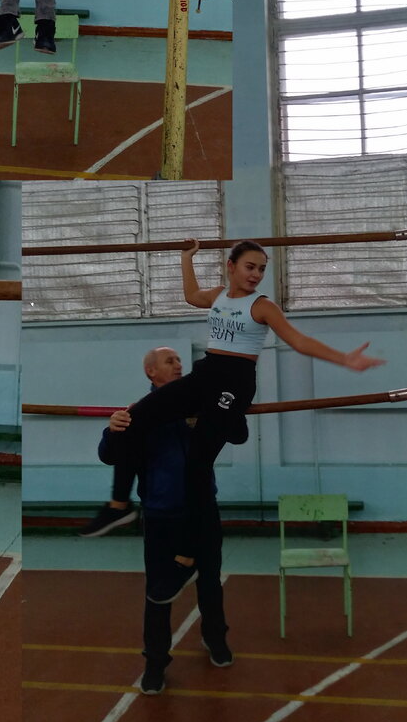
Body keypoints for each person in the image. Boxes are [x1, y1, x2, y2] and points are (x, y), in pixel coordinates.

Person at [86, 240, 386, 603]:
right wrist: (186, 258)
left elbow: (298, 340)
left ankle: (186, 558)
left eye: (261, 269)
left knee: (197, 465)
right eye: (250, 266)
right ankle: (118, 506)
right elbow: (191, 296)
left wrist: (344, 359)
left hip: (234, 382)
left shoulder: (262, 306)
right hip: (205, 374)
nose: (256, 274)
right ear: (231, 266)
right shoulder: (218, 296)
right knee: (136, 416)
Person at [97, 346, 232, 695]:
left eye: (179, 361)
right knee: (158, 591)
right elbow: (110, 456)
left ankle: (215, 638)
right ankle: (155, 663)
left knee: (210, 580)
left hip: (203, 511)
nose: (178, 365)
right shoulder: (138, 412)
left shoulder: (200, 404)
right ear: (151, 372)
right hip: (162, 516)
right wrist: (112, 431)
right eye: (169, 361)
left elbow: (231, 428)